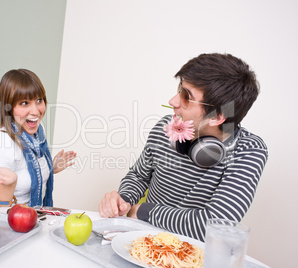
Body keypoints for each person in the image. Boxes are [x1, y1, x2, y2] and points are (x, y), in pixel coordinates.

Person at [98, 53, 268, 241]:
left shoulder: (249, 150)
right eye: (180, 90)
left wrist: (144, 211)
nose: (173, 101)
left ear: (217, 116)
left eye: (186, 97)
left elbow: (215, 226)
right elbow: (139, 175)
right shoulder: (166, 126)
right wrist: (124, 200)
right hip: (144, 243)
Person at [0, 69, 76, 209]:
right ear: (8, 107)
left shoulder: (37, 132)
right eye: (24, 103)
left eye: (39, 100)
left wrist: (49, 167)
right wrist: (9, 185)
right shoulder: (1, 143)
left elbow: (29, 172)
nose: (35, 111)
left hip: (29, 219)